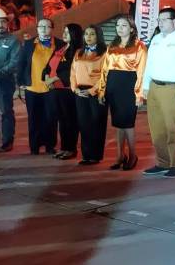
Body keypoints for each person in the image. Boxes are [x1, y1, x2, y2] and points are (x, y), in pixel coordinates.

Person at [140, 8, 175, 178]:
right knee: (157, 128)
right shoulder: (156, 39)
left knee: (173, 128)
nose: (160, 22)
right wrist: (145, 85)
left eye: (164, 19)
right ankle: (161, 162)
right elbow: (149, 64)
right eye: (159, 20)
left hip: (173, 88)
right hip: (155, 87)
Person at [96, 15, 147, 170]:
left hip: (129, 86)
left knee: (128, 123)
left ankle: (133, 155)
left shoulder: (140, 46)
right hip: (113, 85)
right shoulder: (112, 45)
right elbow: (105, 68)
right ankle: (120, 155)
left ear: (131, 28)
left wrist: (139, 93)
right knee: (118, 124)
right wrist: (102, 90)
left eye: (123, 25)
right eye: (118, 25)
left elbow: (142, 71)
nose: (120, 28)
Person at [17, 18, 65, 155]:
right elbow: (21, 64)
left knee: (51, 117)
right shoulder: (28, 44)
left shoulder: (60, 44)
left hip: (51, 88)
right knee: (34, 118)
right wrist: (20, 82)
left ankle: (50, 145)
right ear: (37, 29)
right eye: (41, 27)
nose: (44, 29)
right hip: (32, 88)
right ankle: (35, 146)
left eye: (47, 27)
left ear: (52, 29)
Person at [70, 25, 108, 165]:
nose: (88, 37)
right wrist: (75, 89)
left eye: (92, 34)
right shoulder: (79, 52)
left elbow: (105, 74)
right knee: (84, 124)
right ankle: (86, 155)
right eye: (86, 34)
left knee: (97, 124)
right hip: (80, 92)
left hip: (96, 92)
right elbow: (73, 73)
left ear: (98, 36)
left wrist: (93, 90)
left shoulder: (104, 53)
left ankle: (96, 155)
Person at [47, 23, 81, 160]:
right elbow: (48, 65)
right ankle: (64, 147)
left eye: (68, 32)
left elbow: (70, 70)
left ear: (74, 34)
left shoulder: (77, 50)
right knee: (62, 120)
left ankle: (71, 149)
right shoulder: (61, 48)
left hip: (68, 91)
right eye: (64, 31)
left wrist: (53, 78)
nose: (64, 34)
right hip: (57, 90)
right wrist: (45, 76)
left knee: (70, 121)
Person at [0, 8, 19, 152]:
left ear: (7, 23)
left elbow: (14, 62)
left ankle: (7, 141)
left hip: (5, 81)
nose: (0, 25)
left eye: (3, 22)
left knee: (6, 111)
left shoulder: (13, 40)